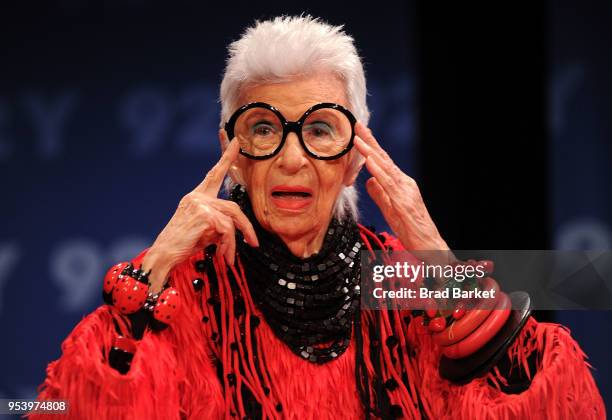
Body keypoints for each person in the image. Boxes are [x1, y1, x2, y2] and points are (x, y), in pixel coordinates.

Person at [31, 16, 604, 419]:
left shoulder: (403, 282)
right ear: (230, 152)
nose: (291, 156)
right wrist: (154, 266)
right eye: (263, 129)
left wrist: (434, 253)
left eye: (320, 130)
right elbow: (68, 407)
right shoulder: (185, 288)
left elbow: (555, 402)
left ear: (356, 157)